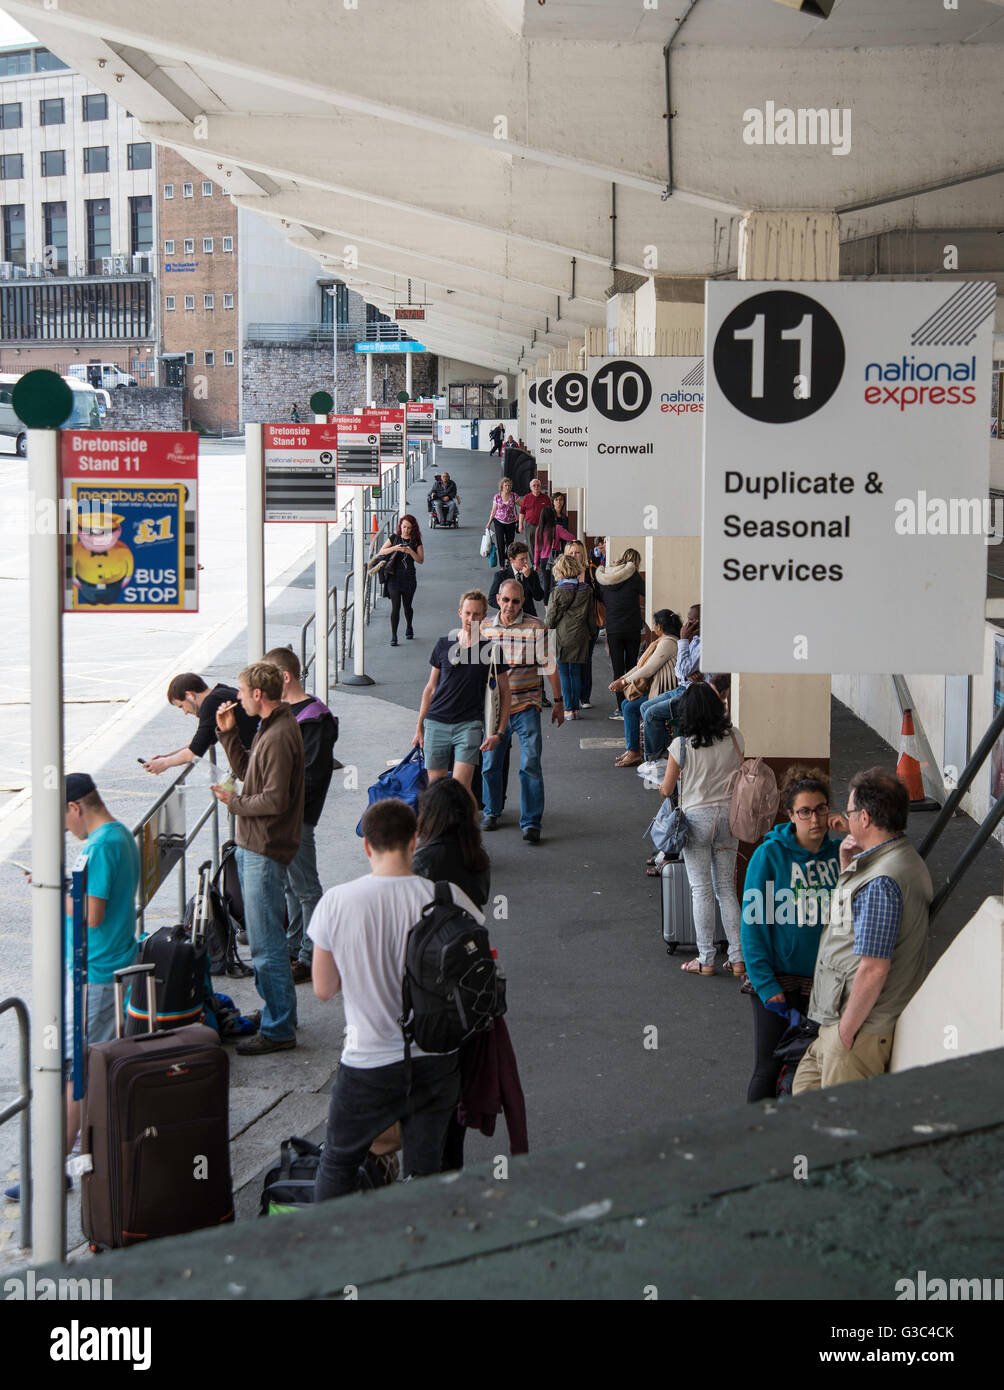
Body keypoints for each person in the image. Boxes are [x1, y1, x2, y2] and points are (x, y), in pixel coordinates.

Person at [309, 799, 483, 1199]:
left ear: (366, 846)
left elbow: (323, 989)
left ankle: (323, 1248)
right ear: (415, 840)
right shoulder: (447, 896)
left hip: (367, 1060)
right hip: (436, 1058)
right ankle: (418, 1250)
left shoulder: (337, 901)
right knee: (425, 1172)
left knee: (338, 1161)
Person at [792, 768, 933, 1094]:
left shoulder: (881, 882)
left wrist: (845, 1033)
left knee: (837, 1134)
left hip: (855, 1031)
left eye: (851, 812)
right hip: (842, 1022)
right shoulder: (893, 862)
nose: (847, 818)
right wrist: (847, 868)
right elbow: (849, 928)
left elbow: (874, 968)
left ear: (865, 818)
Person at [212, 662, 304, 1055]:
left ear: (258, 695)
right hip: (259, 845)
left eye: (241, 690)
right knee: (267, 938)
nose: (237, 695)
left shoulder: (280, 734)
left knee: (266, 943)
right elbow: (251, 773)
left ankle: (280, 1026)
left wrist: (234, 803)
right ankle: (279, 1014)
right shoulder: (273, 726)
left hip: (264, 847)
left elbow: (273, 799)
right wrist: (230, 734)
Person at [741, 768, 843, 1102]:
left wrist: (851, 829)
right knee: (768, 1068)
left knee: (811, 1070)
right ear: (790, 815)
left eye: (821, 808)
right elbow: (752, 927)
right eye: (805, 811)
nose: (815, 819)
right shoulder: (769, 856)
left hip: (823, 987)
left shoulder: (840, 854)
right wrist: (766, 985)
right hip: (777, 984)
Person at [659, 682, 745, 978]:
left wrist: (661, 783)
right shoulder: (735, 738)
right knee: (725, 889)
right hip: (728, 819)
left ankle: (706, 959)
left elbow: (666, 789)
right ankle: (737, 958)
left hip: (696, 820)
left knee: (701, 890)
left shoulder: (680, 746)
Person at [264, 647, 339, 986]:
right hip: (285, 814)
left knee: (306, 888)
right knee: (292, 888)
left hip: (297, 816)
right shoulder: (286, 712)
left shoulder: (313, 716)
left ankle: (312, 955)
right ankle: (296, 947)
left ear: (284, 676)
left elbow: (313, 774)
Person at [480, 577, 565, 842]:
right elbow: (474, 671)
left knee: (530, 764)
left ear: (523, 602)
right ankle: (492, 810)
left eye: (515, 601)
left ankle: (531, 822)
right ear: (498, 600)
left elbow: (550, 665)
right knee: (490, 764)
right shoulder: (483, 628)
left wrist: (559, 701)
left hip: (526, 705)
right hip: (494, 711)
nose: (510, 606)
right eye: (505, 600)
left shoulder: (535, 627)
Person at [414, 589, 510, 792]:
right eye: (467, 613)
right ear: (460, 613)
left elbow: (505, 694)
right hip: (436, 722)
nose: (470, 618)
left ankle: (464, 824)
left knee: (461, 789)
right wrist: (419, 725)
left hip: (468, 725)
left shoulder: (492, 650)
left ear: (484, 617)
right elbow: (431, 688)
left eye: (476, 614)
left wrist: (499, 733)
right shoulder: (443, 644)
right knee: (435, 790)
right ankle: (439, 825)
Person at [142, 673, 258, 775]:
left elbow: (193, 753)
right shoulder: (221, 692)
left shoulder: (211, 703)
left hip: (259, 760)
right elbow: (198, 742)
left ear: (190, 695)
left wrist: (164, 763)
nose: (185, 712)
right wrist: (167, 756)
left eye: (182, 706)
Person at [609, 609, 681, 766]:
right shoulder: (662, 641)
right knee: (626, 705)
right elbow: (641, 665)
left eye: (654, 624)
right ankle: (632, 749)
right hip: (658, 689)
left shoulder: (668, 642)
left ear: (660, 626)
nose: (653, 626)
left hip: (665, 691)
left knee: (629, 708)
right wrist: (622, 679)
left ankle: (635, 752)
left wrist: (624, 682)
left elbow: (649, 669)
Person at [413, 778, 491, 909]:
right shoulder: (477, 855)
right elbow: (483, 896)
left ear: (429, 816)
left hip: (432, 926)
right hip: (470, 925)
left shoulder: (420, 861)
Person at [639, 603, 702, 754]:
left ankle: (655, 758)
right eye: (687, 620)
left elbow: (682, 670)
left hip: (693, 694)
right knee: (644, 707)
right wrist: (686, 672)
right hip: (682, 687)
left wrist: (683, 640)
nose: (687, 625)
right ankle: (667, 752)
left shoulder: (696, 643)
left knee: (652, 714)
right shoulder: (694, 640)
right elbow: (680, 672)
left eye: (692, 621)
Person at [545, 553, 597, 720]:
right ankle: (575, 708)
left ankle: (568, 709)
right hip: (581, 635)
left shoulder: (558, 591)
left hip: (562, 635)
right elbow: (591, 615)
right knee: (575, 672)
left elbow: (551, 618)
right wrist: (592, 633)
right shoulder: (587, 590)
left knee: (564, 673)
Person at [595, 549, 646, 718]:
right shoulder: (634, 577)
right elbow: (646, 591)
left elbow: (600, 597)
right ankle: (631, 702)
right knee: (632, 667)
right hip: (632, 627)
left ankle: (620, 708)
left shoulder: (605, 578)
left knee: (618, 668)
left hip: (614, 628)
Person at [377, 514, 424, 646]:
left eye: (409, 528)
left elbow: (420, 560)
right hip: (394, 577)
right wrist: (395, 548)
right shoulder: (394, 538)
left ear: (413, 528)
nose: (406, 530)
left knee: (407, 606)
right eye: (404, 527)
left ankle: (409, 626)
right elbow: (381, 552)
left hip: (409, 578)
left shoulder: (416, 541)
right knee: (395, 607)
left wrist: (410, 551)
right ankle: (394, 635)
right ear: (400, 526)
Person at [562, 538, 599, 707]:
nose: (574, 555)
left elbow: (599, 595)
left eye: (577, 552)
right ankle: (569, 700)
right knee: (568, 666)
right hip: (567, 627)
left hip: (587, 622)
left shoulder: (590, 571)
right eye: (571, 552)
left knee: (586, 660)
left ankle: (584, 697)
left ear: (582, 554)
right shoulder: (560, 572)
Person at [489, 540, 545, 619]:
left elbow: (538, 596)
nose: (525, 561)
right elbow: (491, 599)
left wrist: (529, 578)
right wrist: (506, 607)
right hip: (509, 617)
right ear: (512, 560)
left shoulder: (532, 573)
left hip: (528, 616)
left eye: (526, 558)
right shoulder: (501, 576)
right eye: (522, 559)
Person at [532, 504, 575, 599]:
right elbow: (572, 538)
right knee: (556, 583)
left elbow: (536, 549)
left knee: (546, 585)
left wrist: (536, 564)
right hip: (555, 559)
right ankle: (556, 602)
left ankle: (547, 608)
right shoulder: (557, 528)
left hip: (543, 560)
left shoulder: (538, 530)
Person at [518, 477, 551, 569]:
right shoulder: (526, 498)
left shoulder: (546, 498)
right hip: (530, 525)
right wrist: (520, 525)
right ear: (530, 487)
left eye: (538, 485)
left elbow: (549, 512)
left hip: (543, 526)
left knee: (543, 543)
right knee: (531, 544)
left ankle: (543, 561)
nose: (536, 487)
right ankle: (534, 564)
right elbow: (522, 512)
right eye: (534, 486)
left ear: (540, 487)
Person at [486, 476, 520, 566]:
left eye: (509, 486)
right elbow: (493, 510)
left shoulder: (514, 496)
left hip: (511, 522)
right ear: (502, 486)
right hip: (499, 522)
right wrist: (489, 523)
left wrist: (519, 516)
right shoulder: (497, 497)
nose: (507, 487)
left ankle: (508, 559)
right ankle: (501, 565)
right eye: (505, 485)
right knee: (500, 543)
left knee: (510, 543)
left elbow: (523, 506)